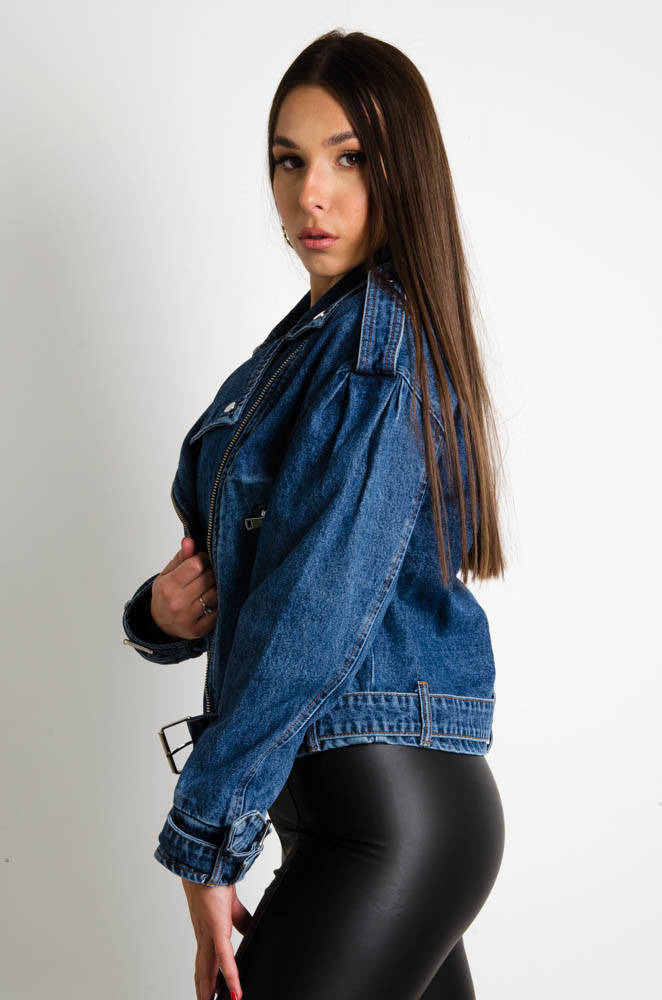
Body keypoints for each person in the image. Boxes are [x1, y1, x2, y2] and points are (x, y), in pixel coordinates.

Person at [122, 29, 508, 1000]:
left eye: (348, 157)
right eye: (288, 161)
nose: (311, 196)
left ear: (400, 169)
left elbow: (318, 608)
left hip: (383, 824)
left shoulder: (377, 350)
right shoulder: (303, 346)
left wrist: (207, 842)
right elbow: (258, 573)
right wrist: (161, 614)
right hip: (367, 817)